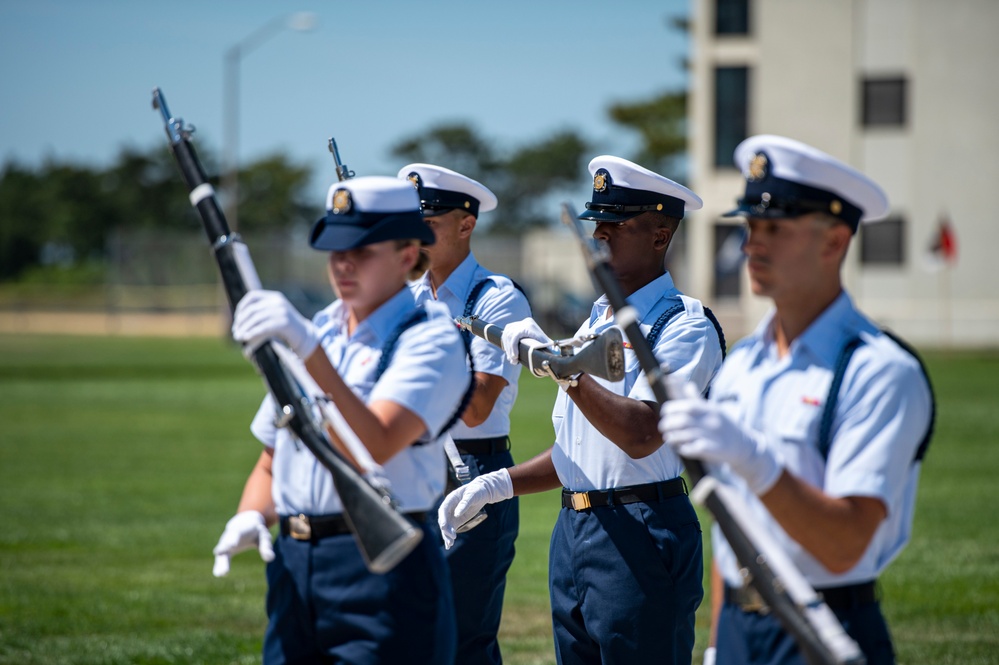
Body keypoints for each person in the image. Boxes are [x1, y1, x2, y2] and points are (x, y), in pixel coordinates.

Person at [438, 155, 725, 665]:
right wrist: (498, 484)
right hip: (574, 531)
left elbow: (641, 432)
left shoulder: (684, 325)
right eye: (598, 223)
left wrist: (560, 368)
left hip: (643, 527)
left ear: (660, 237)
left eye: (615, 224)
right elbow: (579, 451)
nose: (600, 235)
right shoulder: (596, 320)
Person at [660, 135, 934, 665]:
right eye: (750, 227)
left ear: (833, 242)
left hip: (823, 627)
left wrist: (757, 462)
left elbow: (844, 545)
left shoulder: (877, 370)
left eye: (775, 229)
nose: (751, 246)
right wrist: (719, 641)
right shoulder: (742, 364)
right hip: (741, 625)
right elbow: (732, 527)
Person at [212, 175, 471, 665]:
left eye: (363, 250)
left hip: (381, 567)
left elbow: (376, 442)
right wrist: (252, 513)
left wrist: (305, 350)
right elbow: (275, 454)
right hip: (294, 564)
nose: (343, 263)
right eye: (334, 250)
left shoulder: (429, 338)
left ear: (407, 253)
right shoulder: (320, 331)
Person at [399, 163, 532, 665]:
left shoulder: (495, 298)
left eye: (428, 222)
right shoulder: (407, 297)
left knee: (461, 639)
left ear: (465, 223)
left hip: (472, 471)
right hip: (413, 466)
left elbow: (477, 407)